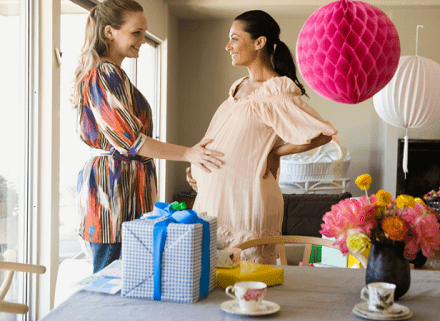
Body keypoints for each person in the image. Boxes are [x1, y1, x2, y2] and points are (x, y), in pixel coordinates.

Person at [71, 0, 223, 273]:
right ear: (109, 32)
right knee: (112, 281)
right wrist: (189, 153)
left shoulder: (115, 74)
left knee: (127, 279)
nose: (142, 39)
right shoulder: (104, 73)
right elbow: (131, 141)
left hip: (125, 190)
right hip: (113, 194)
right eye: (136, 33)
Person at [186, 10, 337, 264]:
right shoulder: (239, 86)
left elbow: (322, 134)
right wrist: (197, 164)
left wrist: (274, 152)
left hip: (246, 200)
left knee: (246, 281)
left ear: (259, 42)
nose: (228, 46)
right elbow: (222, 135)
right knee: (210, 281)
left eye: (234, 38)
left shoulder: (276, 90)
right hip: (214, 198)